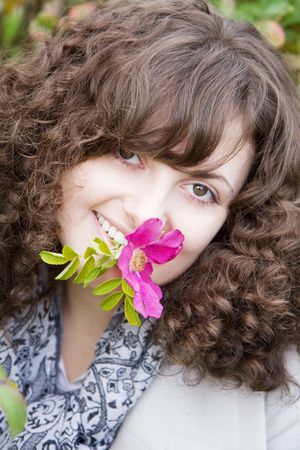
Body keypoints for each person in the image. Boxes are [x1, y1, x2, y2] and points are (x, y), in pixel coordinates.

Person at [0, 0, 299, 448]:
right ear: (57, 138)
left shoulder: (280, 403)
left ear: (238, 222)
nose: (147, 214)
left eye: (201, 190)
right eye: (129, 154)